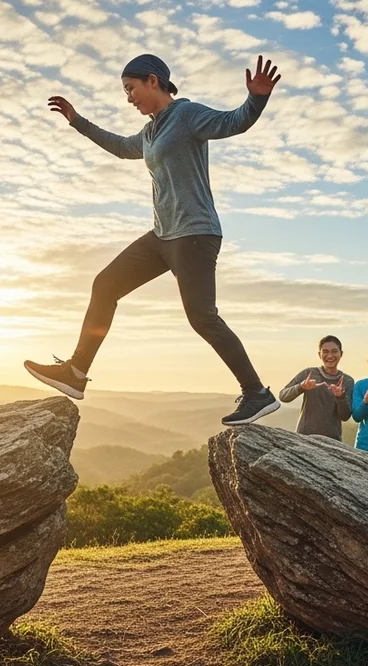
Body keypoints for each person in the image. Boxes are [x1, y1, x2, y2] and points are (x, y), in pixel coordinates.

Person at [24, 55, 283, 426]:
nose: (129, 98)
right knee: (106, 284)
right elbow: (119, 146)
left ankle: (257, 393)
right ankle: (76, 372)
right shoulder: (149, 133)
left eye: (131, 89)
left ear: (152, 81)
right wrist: (76, 121)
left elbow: (233, 122)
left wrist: (256, 99)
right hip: (162, 235)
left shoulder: (187, 114)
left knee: (202, 317)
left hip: (195, 233)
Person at [279, 335, 355, 440]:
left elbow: (345, 416)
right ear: (320, 354)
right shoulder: (309, 373)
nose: (330, 356)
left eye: (334, 351)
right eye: (325, 352)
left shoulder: (347, 381)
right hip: (304, 437)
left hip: (332, 441)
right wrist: (301, 386)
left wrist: (340, 397)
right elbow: (283, 396)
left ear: (341, 354)